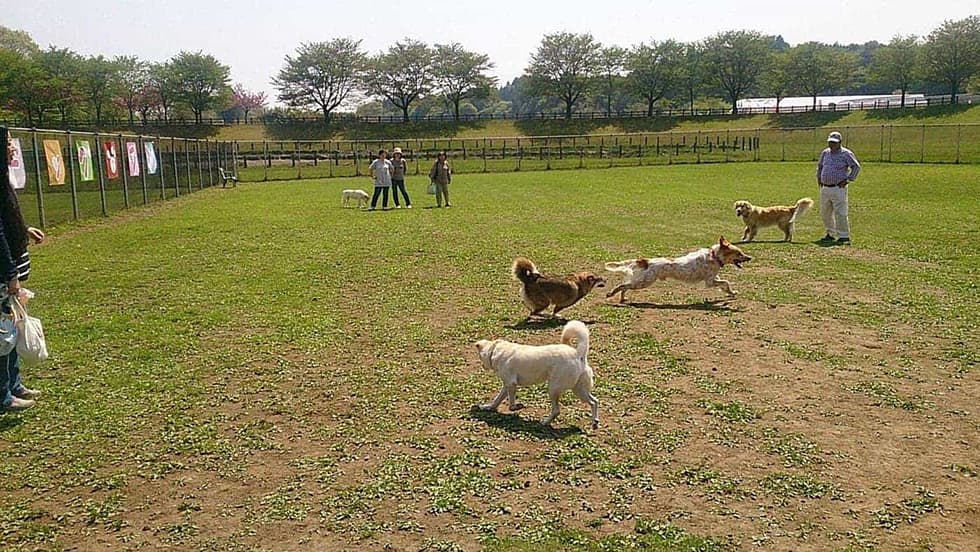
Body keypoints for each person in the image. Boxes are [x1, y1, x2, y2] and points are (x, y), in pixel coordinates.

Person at [1, 129, 45, 412]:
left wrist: (23, 229)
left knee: (11, 326)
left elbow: (6, 217)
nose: (12, 148)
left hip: (9, 264)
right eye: (7, 144)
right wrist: (10, 274)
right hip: (4, 269)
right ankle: (3, 394)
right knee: (3, 332)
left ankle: (13, 383)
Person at [816, 131, 860, 245]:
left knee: (840, 212)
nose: (832, 145)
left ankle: (844, 235)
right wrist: (819, 177)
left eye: (834, 143)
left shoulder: (846, 154)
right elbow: (820, 166)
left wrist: (848, 179)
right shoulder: (825, 153)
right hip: (825, 187)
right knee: (825, 212)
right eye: (830, 142)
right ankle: (830, 233)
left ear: (840, 142)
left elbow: (856, 167)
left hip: (838, 188)